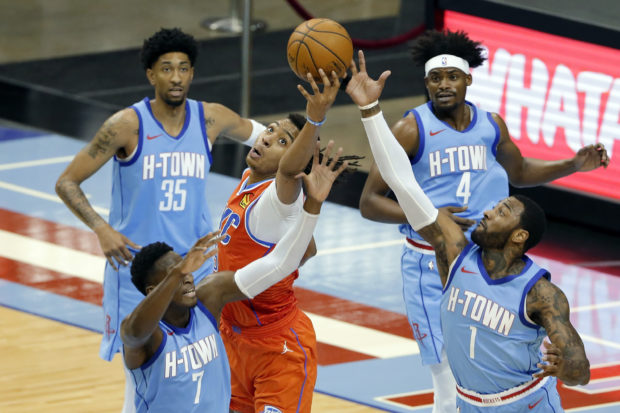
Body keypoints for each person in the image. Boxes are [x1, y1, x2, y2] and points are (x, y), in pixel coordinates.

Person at [357, 30, 608, 412]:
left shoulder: (491, 125)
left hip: (487, 257)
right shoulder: (411, 128)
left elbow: (519, 172)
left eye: (451, 76)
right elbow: (369, 202)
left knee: (491, 359)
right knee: (447, 372)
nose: (443, 85)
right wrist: (429, 215)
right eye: (435, 78)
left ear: (468, 79)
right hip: (433, 257)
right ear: (425, 83)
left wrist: (572, 165)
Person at [54, 27, 266, 410]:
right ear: (151, 74)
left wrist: (310, 134)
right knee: (143, 381)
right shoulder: (126, 125)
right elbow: (67, 182)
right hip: (139, 276)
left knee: (197, 371)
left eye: (183, 68)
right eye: (167, 69)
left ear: (192, 73)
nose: (176, 77)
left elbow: (268, 138)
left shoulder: (210, 118)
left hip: (195, 272)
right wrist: (101, 228)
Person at [121, 141, 348, 413]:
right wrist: (178, 273)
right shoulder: (146, 336)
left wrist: (313, 205)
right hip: (239, 345)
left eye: (185, 269)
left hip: (276, 341)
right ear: (153, 290)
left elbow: (282, 262)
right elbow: (133, 331)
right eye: (175, 274)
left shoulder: (208, 301)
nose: (188, 277)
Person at [216, 68, 361, 413]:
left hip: (276, 346)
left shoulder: (277, 196)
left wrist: (315, 118)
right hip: (233, 335)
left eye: (284, 142)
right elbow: (309, 248)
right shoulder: (251, 178)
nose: (268, 139)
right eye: (270, 130)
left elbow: (286, 171)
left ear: (298, 165)